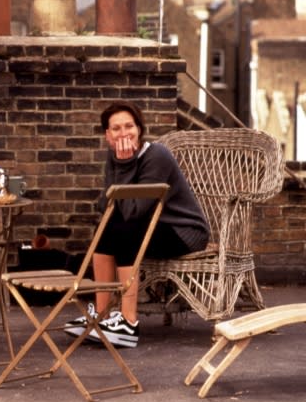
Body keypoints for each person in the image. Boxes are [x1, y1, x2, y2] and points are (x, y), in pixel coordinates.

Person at [64, 101, 209, 348]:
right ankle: (102, 316)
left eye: (129, 126)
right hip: (148, 226)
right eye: (116, 128)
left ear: (139, 129)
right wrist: (120, 166)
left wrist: (126, 165)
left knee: (124, 230)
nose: (124, 133)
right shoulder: (115, 158)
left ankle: (128, 322)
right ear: (107, 135)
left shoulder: (157, 156)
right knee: (107, 230)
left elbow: (132, 211)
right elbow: (106, 206)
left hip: (183, 230)